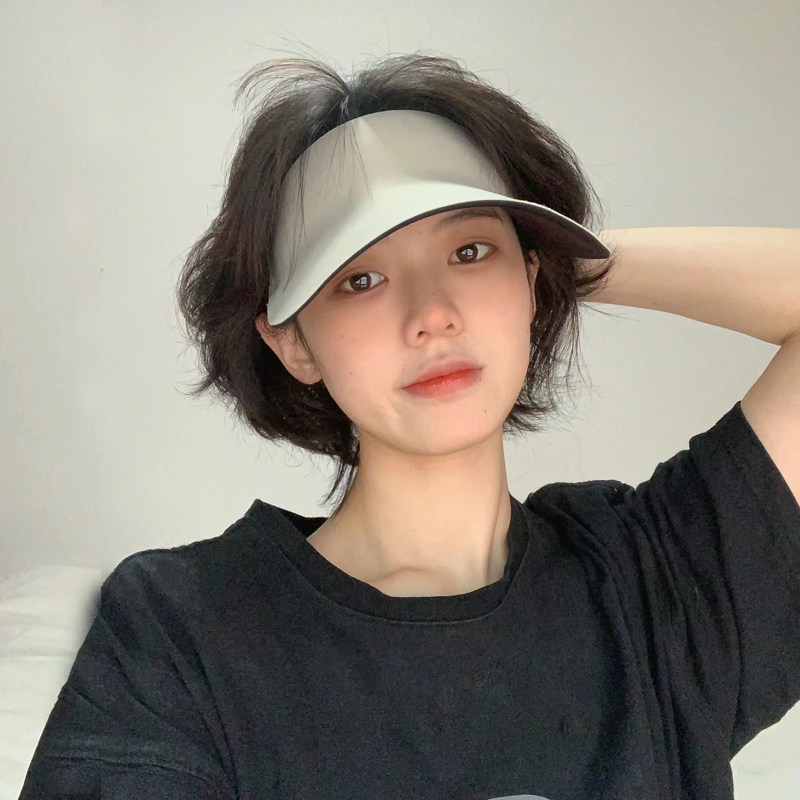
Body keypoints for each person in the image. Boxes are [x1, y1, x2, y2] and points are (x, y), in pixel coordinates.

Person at [19, 53, 800, 800]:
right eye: (360, 278)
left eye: (471, 250)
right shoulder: (180, 633)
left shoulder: (652, 584)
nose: (432, 313)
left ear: (529, 282)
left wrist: (570, 260)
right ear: (292, 343)